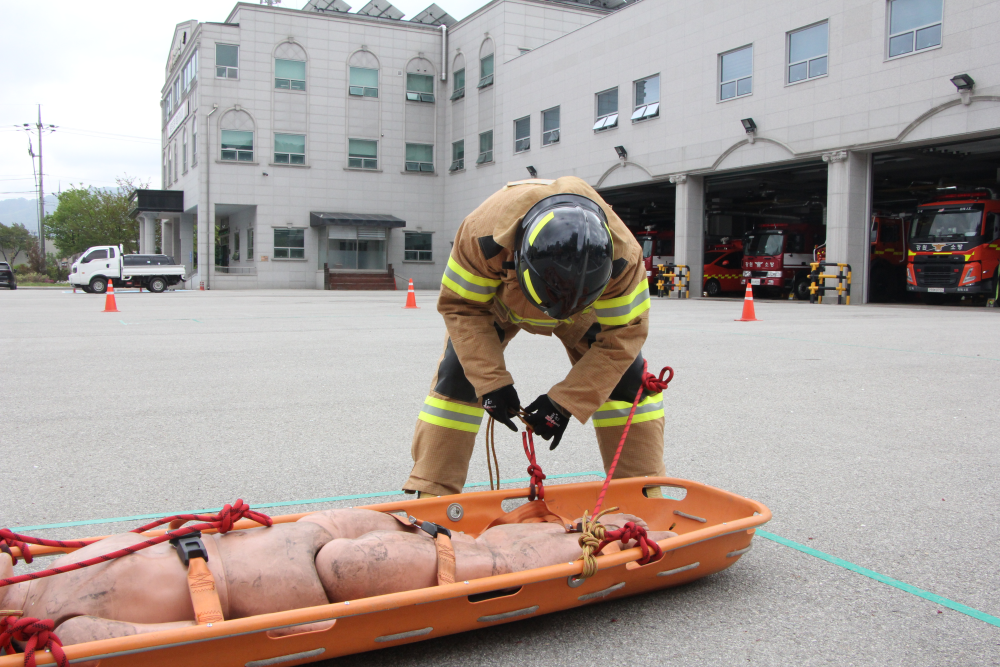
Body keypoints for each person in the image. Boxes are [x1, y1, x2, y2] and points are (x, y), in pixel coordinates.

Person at [0, 508, 672, 646]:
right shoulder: (57, 626)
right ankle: (612, 538)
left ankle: (582, 529)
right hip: (325, 579)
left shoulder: (47, 563)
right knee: (491, 560)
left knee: (469, 544)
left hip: (312, 533)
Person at [404, 176, 666, 498]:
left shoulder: (625, 259)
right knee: (458, 376)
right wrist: (491, 383)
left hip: (583, 311)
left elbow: (623, 337)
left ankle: (643, 493)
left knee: (627, 383)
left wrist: (565, 402)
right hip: (500, 302)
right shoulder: (481, 235)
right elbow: (463, 308)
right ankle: (433, 493)